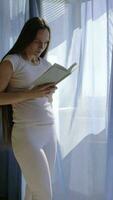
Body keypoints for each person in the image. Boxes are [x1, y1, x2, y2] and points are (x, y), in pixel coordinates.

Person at [0, 17, 57, 200]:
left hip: (49, 130)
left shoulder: (45, 65)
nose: (42, 46)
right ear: (26, 38)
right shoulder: (12, 62)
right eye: (37, 41)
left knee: (34, 189)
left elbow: (44, 99)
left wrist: (48, 93)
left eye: (46, 42)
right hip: (27, 134)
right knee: (44, 194)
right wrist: (32, 94)